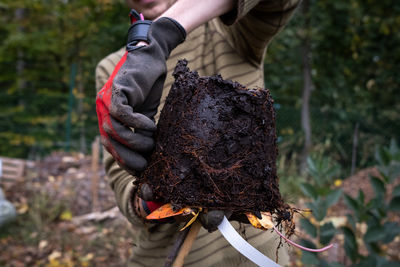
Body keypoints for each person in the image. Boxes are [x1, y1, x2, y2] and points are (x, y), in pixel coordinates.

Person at [95, 0, 299, 265]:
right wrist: (158, 198)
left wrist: (162, 33)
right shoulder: (114, 68)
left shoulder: (230, 31)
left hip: (252, 252)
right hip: (166, 254)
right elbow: (121, 176)